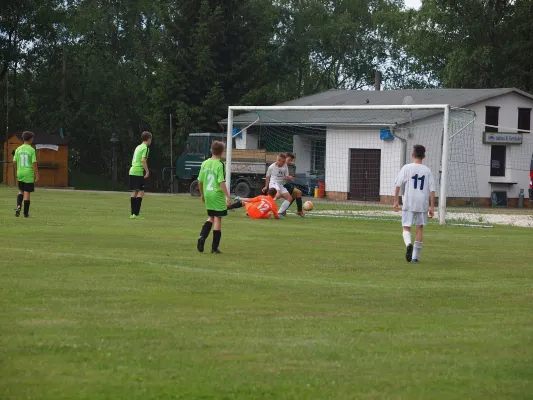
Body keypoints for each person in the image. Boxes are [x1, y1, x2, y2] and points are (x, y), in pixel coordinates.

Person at [393, 144, 436, 263]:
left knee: (406, 227)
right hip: (422, 202)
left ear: (413, 155)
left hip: (409, 201)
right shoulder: (427, 170)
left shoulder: (406, 168)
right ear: (424, 156)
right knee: (419, 228)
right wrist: (432, 207)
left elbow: (397, 185)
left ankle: (408, 244)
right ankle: (415, 257)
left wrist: (396, 201)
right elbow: (432, 190)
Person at [197, 141, 232, 254]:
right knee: (218, 218)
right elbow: (221, 181)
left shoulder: (205, 163)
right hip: (216, 194)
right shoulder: (220, 164)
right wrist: (227, 196)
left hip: (207, 193)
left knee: (211, 216)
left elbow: (200, 181)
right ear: (222, 152)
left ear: (211, 150)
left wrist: (202, 194)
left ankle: (202, 237)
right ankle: (214, 248)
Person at [13, 131, 39, 218]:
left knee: (21, 191)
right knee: (27, 193)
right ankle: (26, 213)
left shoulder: (18, 149)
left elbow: (14, 162)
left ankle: (18, 206)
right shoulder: (31, 150)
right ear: (30, 139)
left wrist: (17, 171)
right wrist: (37, 175)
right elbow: (34, 164)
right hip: (28, 173)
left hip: (20, 172)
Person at [129, 131, 152, 219]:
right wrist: (147, 171)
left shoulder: (138, 147)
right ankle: (136, 214)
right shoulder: (145, 148)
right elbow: (143, 160)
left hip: (132, 170)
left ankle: (132, 214)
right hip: (138, 171)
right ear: (149, 139)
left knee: (134, 191)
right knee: (141, 191)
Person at [283, 152, 305, 217]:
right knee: (298, 193)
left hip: (287, 184)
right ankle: (299, 211)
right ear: (285, 158)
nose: (290, 161)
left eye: (291, 160)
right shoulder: (280, 165)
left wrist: (290, 176)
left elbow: (292, 176)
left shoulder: (292, 166)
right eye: (289, 160)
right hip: (282, 184)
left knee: (295, 195)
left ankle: (283, 210)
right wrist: (288, 177)